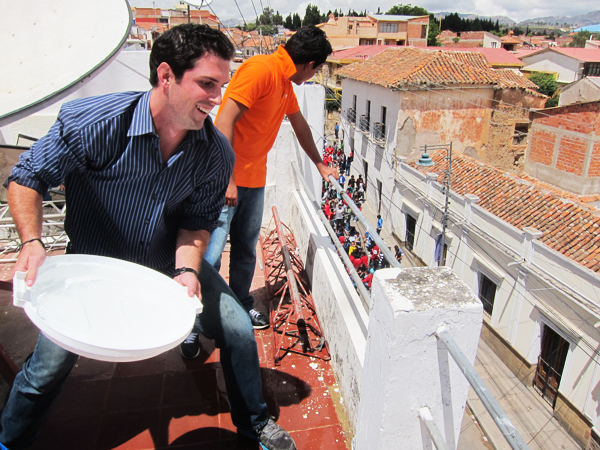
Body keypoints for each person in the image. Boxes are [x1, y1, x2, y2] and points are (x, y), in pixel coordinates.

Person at [0, 25, 295, 450]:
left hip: (164, 262)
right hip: (92, 266)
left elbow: (195, 224)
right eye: (206, 84)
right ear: (165, 76)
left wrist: (188, 272)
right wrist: (31, 241)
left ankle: (254, 424)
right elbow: (28, 177)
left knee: (236, 329)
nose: (217, 98)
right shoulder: (94, 122)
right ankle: (11, 439)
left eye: (222, 85)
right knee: (48, 366)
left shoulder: (216, 153)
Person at [200, 26, 336, 334]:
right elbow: (224, 121)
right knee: (209, 256)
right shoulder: (261, 69)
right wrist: (228, 179)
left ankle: (241, 304)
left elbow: (300, 126)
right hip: (226, 180)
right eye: (316, 70)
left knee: (246, 250)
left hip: (255, 180)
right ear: (310, 64)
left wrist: (319, 163)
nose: (313, 76)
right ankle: (195, 323)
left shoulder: (285, 84)